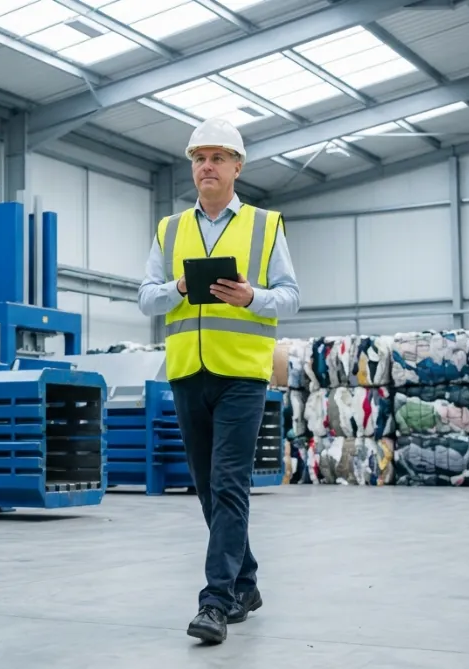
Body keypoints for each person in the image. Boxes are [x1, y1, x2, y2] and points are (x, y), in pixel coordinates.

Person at [137, 117, 301, 645]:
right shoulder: (169, 229)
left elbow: (291, 296)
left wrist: (252, 297)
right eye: (198, 158)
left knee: (229, 482)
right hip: (188, 373)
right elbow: (145, 297)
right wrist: (180, 286)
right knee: (209, 489)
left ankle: (215, 602)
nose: (206, 166)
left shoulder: (265, 224)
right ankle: (246, 583)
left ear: (237, 166)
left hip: (242, 375)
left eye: (217, 157)